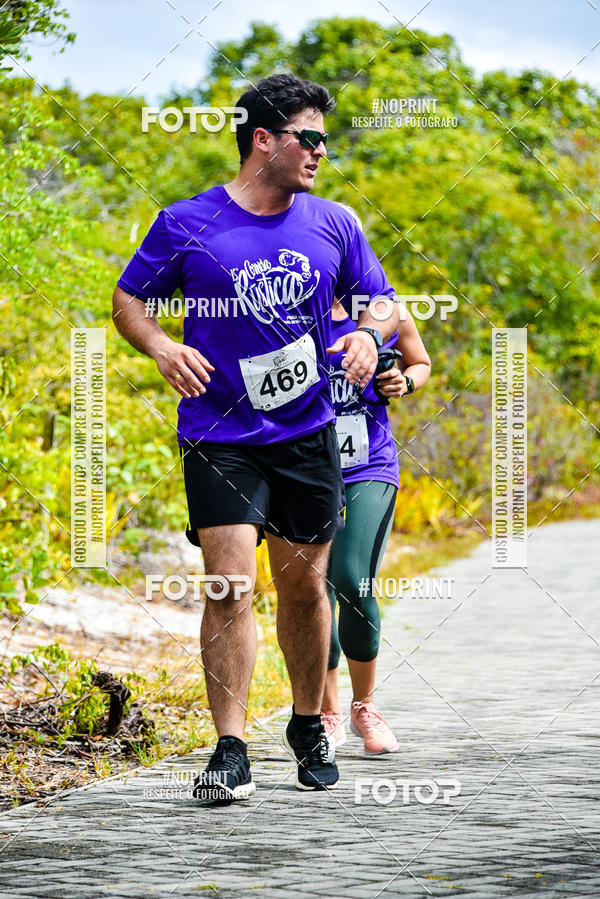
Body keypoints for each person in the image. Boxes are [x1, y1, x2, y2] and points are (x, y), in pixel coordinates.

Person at [112, 73, 399, 800]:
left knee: (302, 585)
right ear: (263, 139)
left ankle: (308, 719)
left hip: (306, 433)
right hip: (220, 432)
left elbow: (385, 302)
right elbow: (128, 298)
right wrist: (160, 347)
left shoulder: (334, 222)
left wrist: (367, 334)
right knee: (229, 582)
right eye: (310, 137)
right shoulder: (186, 222)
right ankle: (230, 745)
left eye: (325, 141)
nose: (321, 153)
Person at [323, 278, 431, 754]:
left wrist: (403, 381)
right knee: (311, 589)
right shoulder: (282, 306)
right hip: (300, 465)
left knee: (351, 578)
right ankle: (323, 714)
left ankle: (364, 706)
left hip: (369, 463)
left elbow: (420, 362)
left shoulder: (384, 309)